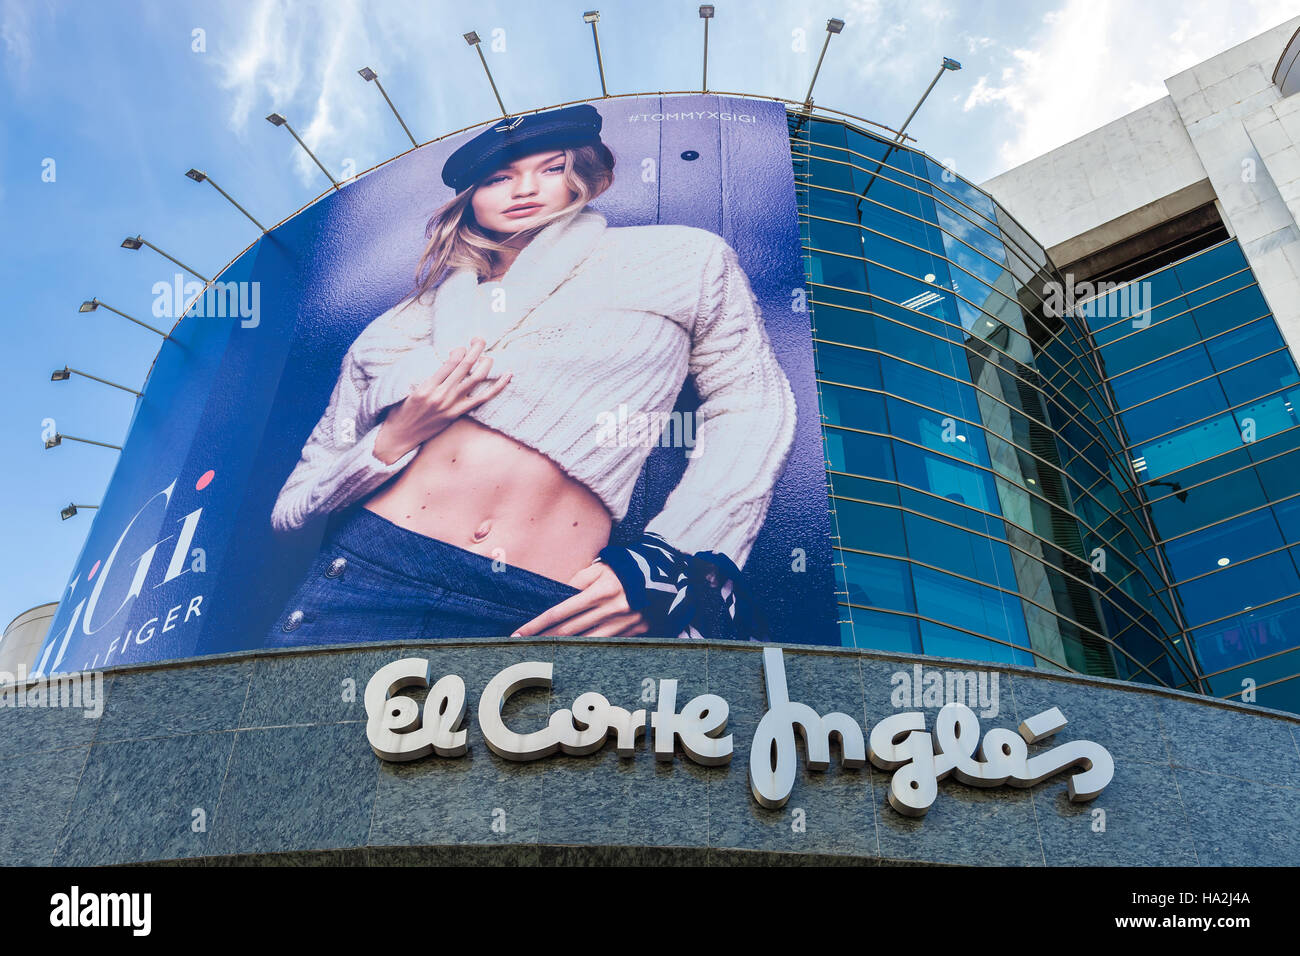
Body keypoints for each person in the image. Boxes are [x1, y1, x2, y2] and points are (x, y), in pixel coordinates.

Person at [267, 103, 796, 646]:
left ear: (584, 178)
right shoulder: (395, 328)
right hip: (369, 575)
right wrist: (394, 438)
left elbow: (751, 405)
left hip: (549, 601)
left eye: (550, 168)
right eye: (498, 178)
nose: (523, 190)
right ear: (469, 199)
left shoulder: (681, 260)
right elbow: (293, 507)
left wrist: (667, 562)